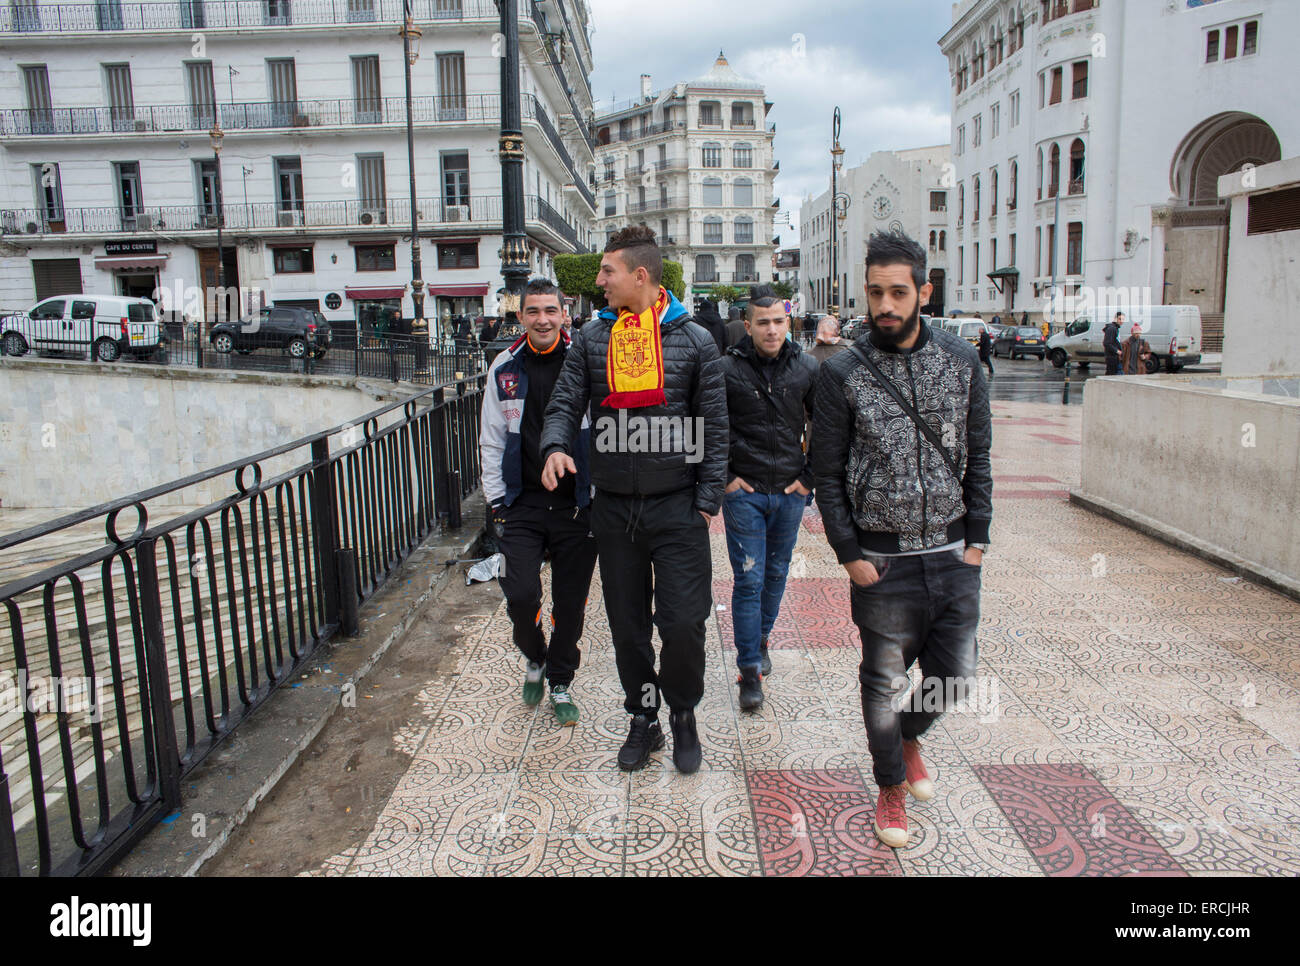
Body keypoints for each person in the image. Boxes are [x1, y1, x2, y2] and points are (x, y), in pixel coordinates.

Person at [813, 229, 992, 850]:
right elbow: (826, 472)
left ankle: (909, 737)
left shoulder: (962, 362)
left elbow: (981, 456)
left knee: (957, 677)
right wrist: (850, 555)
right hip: (882, 561)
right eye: (874, 293)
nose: (884, 305)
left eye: (897, 292)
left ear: (923, 292)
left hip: (951, 553)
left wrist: (977, 542)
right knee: (883, 682)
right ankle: (889, 781)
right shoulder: (842, 374)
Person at [540, 225, 728, 774]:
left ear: (639, 276)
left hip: (678, 508)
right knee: (628, 627)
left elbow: (714, 426)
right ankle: (643, 718)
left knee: (684, 623)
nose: (599, 282)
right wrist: (555, 444)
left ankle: (684, 714)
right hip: (615, 508)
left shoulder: (694, 341)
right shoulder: (593, 339)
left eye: (607, 272)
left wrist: (707, 499)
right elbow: (565, 401)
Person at [479, 279, 598, 726]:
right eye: (533, 311)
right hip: (522, 505)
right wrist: (496, 502)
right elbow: (491, 440)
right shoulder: (504, 367)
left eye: (551, 310)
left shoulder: (583, 361)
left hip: (576, 508)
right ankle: (536, 657)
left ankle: (561, 680)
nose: (543, 319)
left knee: (571, 604)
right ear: (521, 315)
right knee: (519, 594)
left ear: (565, 314)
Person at [720, 285, 817, 710]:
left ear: (788, 322)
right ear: (748, 325)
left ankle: (759, 642)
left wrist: (809, 478)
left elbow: (826, 425)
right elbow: (704, 424)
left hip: (790, 492)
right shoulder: (725, 368)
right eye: (763, 322)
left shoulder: (807, 367)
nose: (772, 329)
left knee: (776, 575)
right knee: (749, 579)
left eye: (779, 321)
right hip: (745, 494)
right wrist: (725, 477)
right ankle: (749, 670)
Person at [1103, 311, 1124, 375]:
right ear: (1115, 319)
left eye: (1123, 319)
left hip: (1114, 358)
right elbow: (1107, 343)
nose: (1121, 321)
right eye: (1120, 319)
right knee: (1112, 375)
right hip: (1112, 358)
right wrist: (1117, 351)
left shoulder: (1115, 328)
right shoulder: (1112, 329)